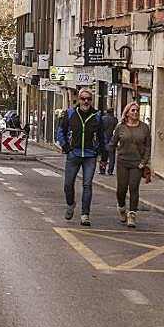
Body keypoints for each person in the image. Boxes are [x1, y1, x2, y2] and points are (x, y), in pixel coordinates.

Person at [56, 88, 107, 226]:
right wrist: (66, 147)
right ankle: (70, 204)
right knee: (68, 184)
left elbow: (102, 137)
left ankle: (85, 214)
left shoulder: (97, 116)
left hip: (90, 155)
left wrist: (103, 156)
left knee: (87, 185)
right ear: (79, 100)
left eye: (88, 99)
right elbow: (61, 131)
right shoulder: (70, 113)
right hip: (74, 154)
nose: (86, 101)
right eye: (83, 99)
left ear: (91, 100)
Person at [109, 102, 151, 228]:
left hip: (137, 164)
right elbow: (113, 143)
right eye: (133, 110)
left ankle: (132, 215)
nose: (135, 112)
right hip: (122, 162)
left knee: (133, 188)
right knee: (121, 189)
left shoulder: (144, 128)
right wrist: (109, 158)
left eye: (137, 110)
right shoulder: (120, 127)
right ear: (127, 113)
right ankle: (122, 208)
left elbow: (148, 146)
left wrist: (144, 162)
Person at [100, 108, 118, 175]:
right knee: (112, 157)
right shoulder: (115, 120)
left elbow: (100, 129)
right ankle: (110, 171)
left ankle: (102, 170)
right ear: (112, 112)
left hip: (104, 139)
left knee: (103, 156)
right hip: (112, 140)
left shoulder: (103, 118)